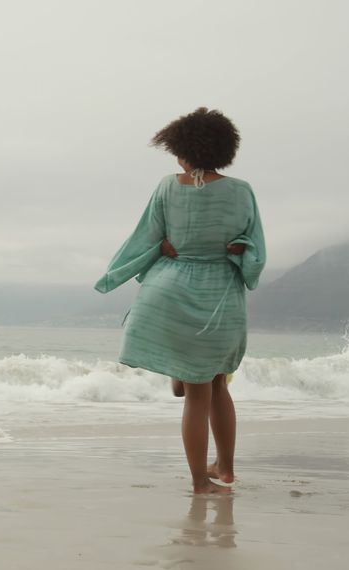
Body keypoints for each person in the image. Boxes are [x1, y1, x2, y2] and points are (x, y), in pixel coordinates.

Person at [95, 108, 265, 494]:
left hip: (171, 290)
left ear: (185, 150)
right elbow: (254, 252)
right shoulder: (241, 191)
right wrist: (238, 252)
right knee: (217, 384)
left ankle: (199, 483)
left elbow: (144, 239)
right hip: (219, 293)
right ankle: (224, 469)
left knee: (193, 391)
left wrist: (144, 259)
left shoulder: (167, 187)